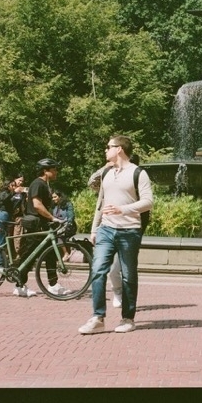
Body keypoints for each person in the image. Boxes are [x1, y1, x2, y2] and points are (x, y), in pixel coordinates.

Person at [79, 135, 153, 335]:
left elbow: (148, 202)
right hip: (106, 229)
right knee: (98, 270)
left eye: (108, 147)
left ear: (119, 149)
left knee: (128, 275)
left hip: (129, 231)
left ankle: (128, 318)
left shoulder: (138, 173)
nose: (105, 150)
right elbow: (101, 204)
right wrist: (95, 229)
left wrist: (123, 209)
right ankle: (98, 318)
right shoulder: (106, 173)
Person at [15, 158, 67, 297]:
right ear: (46, 170)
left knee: (50, 253)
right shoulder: (38, 183)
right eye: (54, 169)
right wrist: (52, 217)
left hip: (42, 225)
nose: (56, 171)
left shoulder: (45, 184)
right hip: (36, 225)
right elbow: (37, 205)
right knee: (29, 256)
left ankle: (53, 285)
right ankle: (19, 285)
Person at [52, 189, 77, 261]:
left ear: (60, 197)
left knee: (59, 235)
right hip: (58, 225)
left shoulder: (67, 204)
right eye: (52, 197)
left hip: (68, 225)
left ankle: (66, 253)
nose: (53, 199)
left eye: (55, 197)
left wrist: (68, 222)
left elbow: (70, 215)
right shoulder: (54, 206)